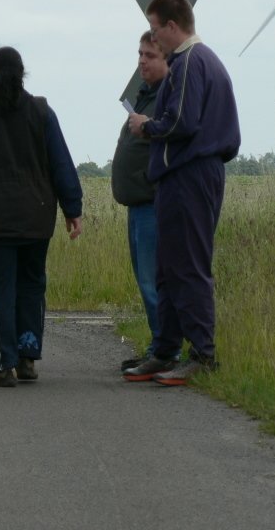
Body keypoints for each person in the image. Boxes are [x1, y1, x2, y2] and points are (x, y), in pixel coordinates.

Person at [0, 46, 83, 388]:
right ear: (22, 75)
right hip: (36, 219)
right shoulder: (42, 112)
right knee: (32, 286)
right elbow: (61, 162)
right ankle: (27, 357)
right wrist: (72, 209)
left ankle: (3, 365)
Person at [124, 0, 240, 386]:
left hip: (191, 175)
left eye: (156, 30)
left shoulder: (190, 61)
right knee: (168, 267)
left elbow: (181, 123)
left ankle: (202, 355)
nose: (155, 38)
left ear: (172, 27)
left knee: (188, 266)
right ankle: (164, 349)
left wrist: (147, 126)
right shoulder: (200, 61)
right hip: (181, 177)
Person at [111, 31, 178, 371]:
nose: (141, 61)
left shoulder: (168, 99)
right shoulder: (144, 95)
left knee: (155, 281)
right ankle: (158, 346)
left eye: (150, 55)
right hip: (136, 205)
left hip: (153, 204)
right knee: (145, 280)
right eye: (140, 54)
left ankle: (166, 352)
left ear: (168, 59)